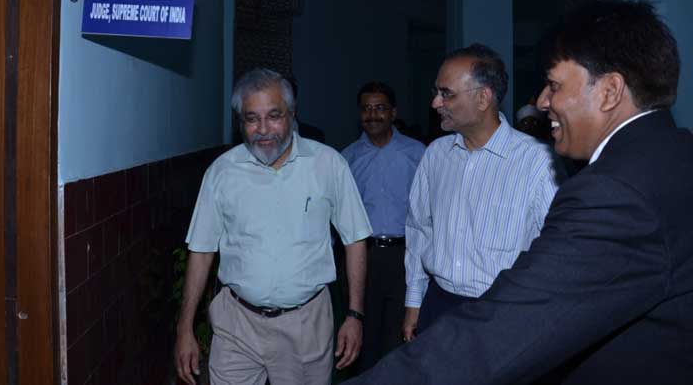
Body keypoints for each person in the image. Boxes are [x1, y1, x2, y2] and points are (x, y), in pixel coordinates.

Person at [345, 0, 693, 384]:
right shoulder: (673, 155)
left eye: (554, 85)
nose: (542, 102)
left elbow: (505, 330)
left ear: (610, 91)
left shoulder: (615, 193)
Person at [174, 68, 372, 385]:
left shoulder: (328, 164)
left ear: (292, 114)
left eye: (274, 116)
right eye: (252, 119)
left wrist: (354, 315)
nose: (263, 129)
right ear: (240, 122)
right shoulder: (222, 172)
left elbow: (355, 240)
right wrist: (185, 328)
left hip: (306, 326)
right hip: (236, 324)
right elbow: (201, 250)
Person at [402, 44, 562, 341]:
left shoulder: (536, 161)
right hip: (438, 305)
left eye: (447, 93)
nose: (435, 103)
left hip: (502, 312)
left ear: (483, 98)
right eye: (437, 92)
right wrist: (414, 302)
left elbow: (554, 250)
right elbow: (419, 230)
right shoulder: (436, 154)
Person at [342, 81, 425, 369]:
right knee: (363, 337)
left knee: (399, 337)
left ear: (393, 113)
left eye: (380, 108)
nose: (373, 115)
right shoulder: (347, 158)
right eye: (366, 109)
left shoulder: (418, 153)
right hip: (363, 257)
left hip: (406, 256)